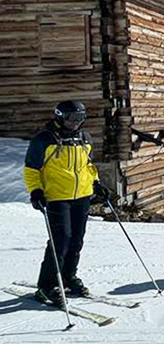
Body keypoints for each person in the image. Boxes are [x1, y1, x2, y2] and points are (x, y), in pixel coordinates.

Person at [24, 101, 109, 305]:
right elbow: (31, 169)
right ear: (60, 116)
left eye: (80, 119)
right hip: (56, 197)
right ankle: (46, 286)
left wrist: (96, 183)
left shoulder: (83, 138)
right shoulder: (44, 139)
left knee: (76, 240)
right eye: (72, 118)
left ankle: (69, 277)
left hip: (82, 197)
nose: (76, 123)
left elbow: (87, 165)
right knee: (60, 241)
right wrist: (36, 191)